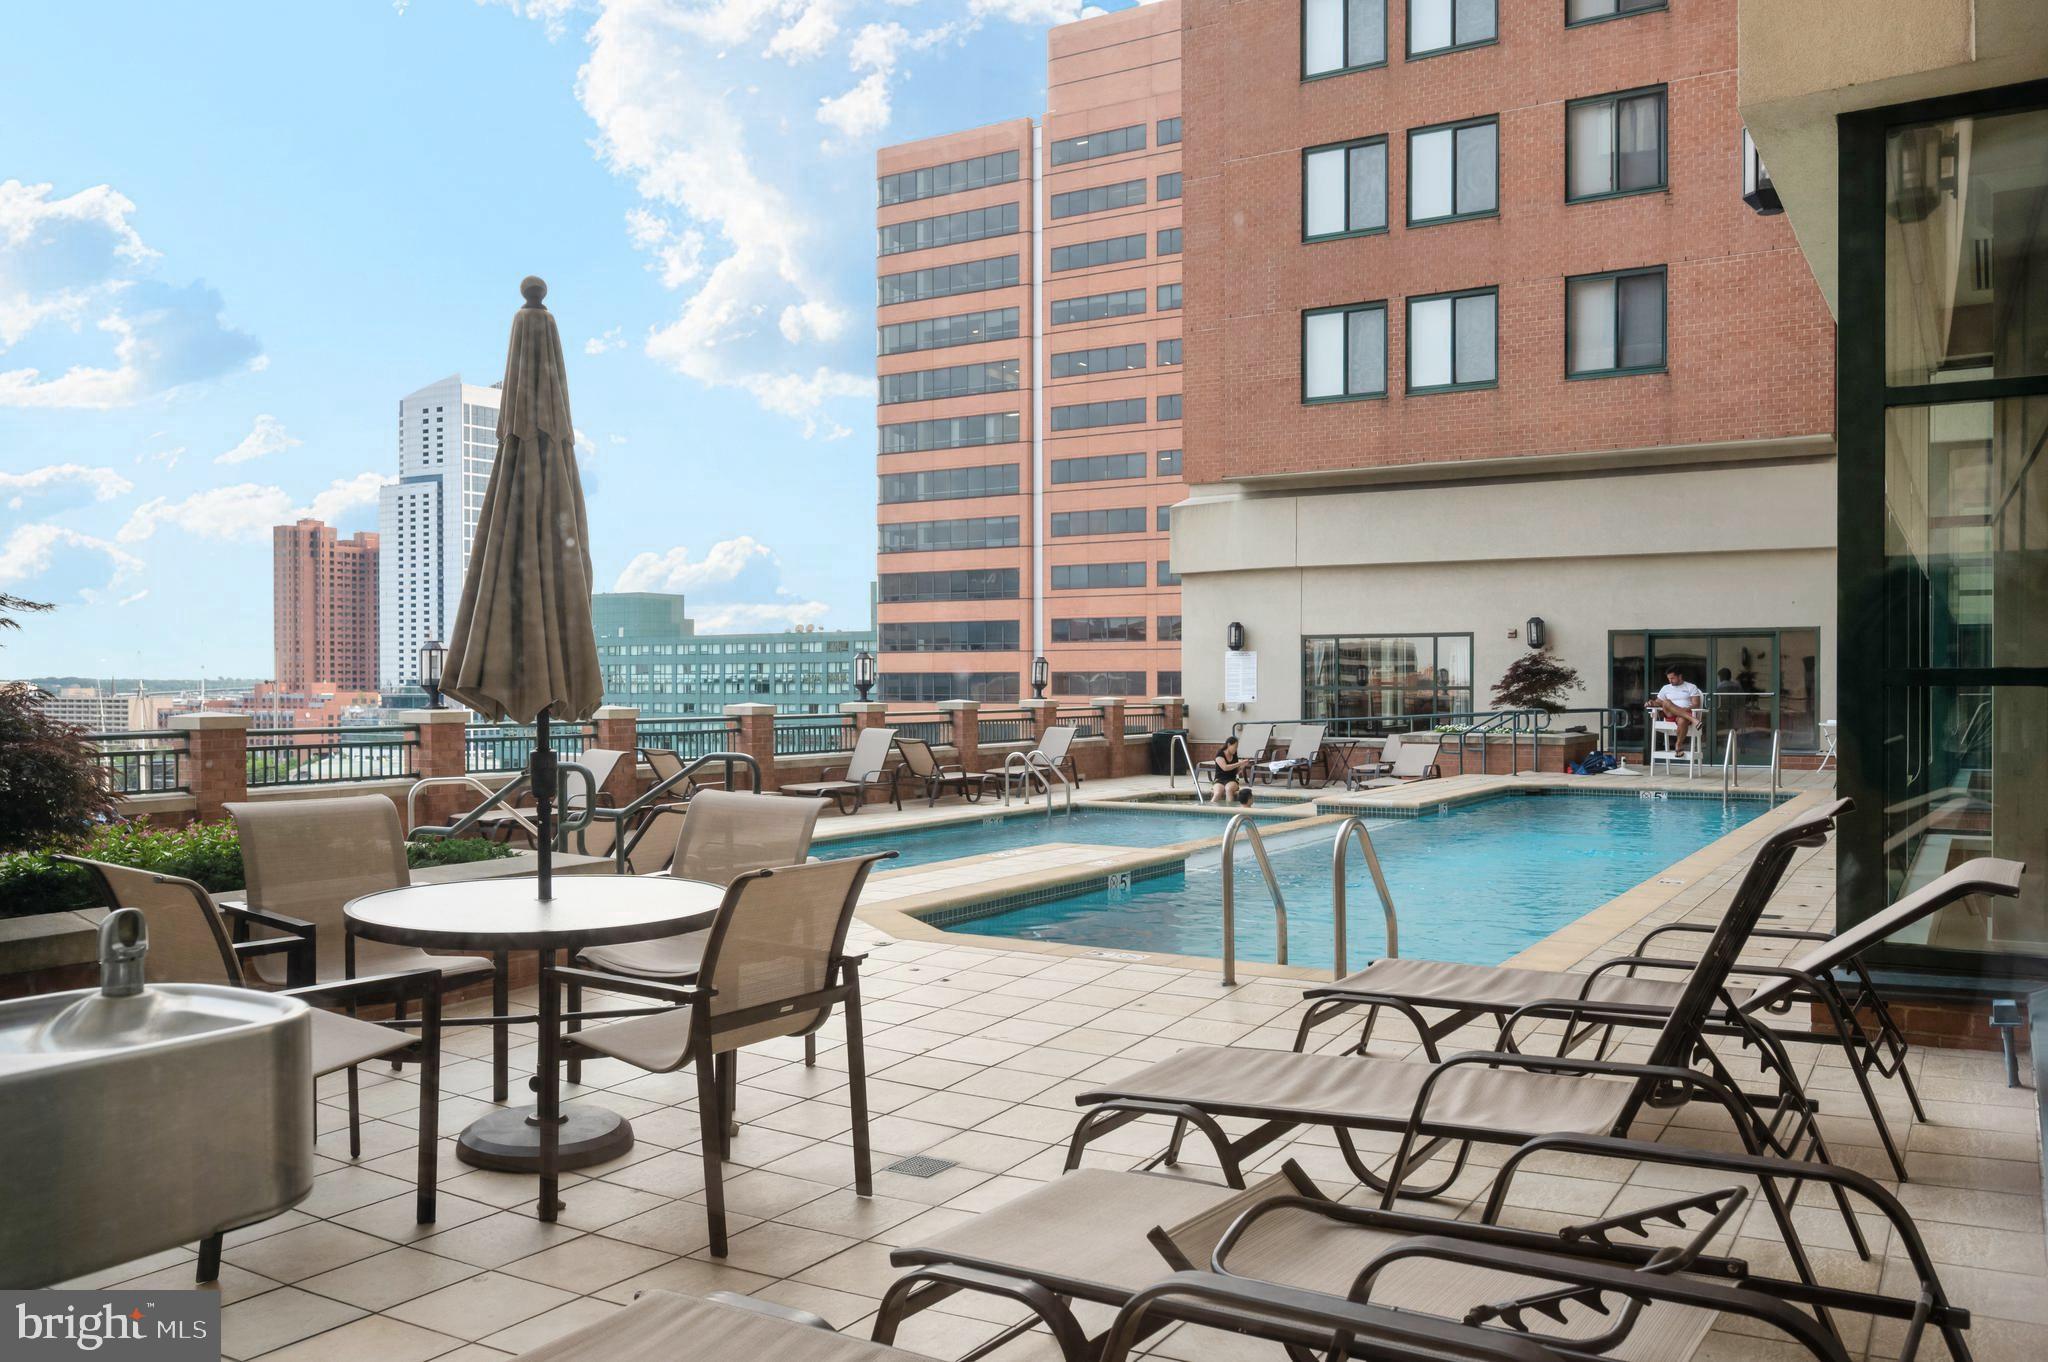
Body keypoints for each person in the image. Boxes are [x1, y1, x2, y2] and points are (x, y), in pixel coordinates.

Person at [1652, 667, 1704, 746]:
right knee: (1666, 702)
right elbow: (1658, 702)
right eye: (1669, 678)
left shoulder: (1691, 687)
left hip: (1685, 715)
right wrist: (1651, 703)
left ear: (1680, 676)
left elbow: (1696, 704)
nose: (1670, 681)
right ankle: (1694, 720)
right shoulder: (1665, 688)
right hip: (1670, 715)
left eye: (1672, 678)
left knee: (1683, 720)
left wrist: (1684, 709)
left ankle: (1678, 745)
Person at [1209, 735, 1253, 804]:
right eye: (1235, 747)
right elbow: (1225, 768)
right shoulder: (1220, 754)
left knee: (1229, 790)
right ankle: (1209, 810)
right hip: (1219, 779)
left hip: (1231, 779)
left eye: (1237, 747)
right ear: (1229, 745)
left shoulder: (1234, 755)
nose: (1236, 749)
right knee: (1218, 792)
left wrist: (1242, 766)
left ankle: (1229, 811)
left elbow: (1235, 771)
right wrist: (1240, 763)